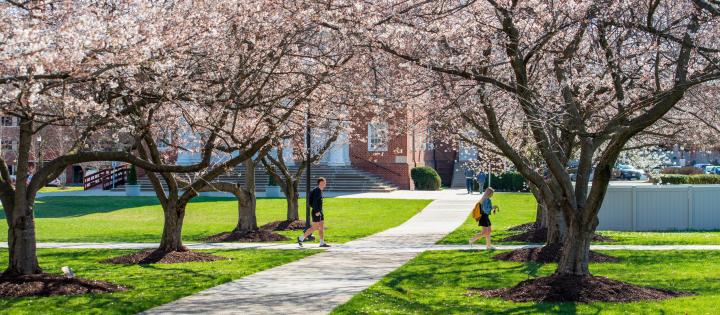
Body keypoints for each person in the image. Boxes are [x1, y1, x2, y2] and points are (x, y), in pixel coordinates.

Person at [298, 177, 330, 248]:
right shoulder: (317, 191)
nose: (325, 183)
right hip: (316, 212)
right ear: (321, 183)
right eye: (324, 182)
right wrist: (317, 211)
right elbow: (314, 202)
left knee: (321, 227)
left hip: (320, 212)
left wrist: (320, 211)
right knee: (314, 228)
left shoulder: (319, 190)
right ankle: (301, 238)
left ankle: (322, 243)